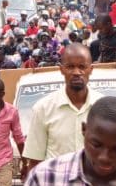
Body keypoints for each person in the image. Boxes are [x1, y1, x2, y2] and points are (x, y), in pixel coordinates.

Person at [22, 44, 102, 172]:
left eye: (82, 67)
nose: (76, 72)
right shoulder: (43, 108)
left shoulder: (106, 109)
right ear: (61, 69)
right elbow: (35, 161)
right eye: (70, 67)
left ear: (91, 69)